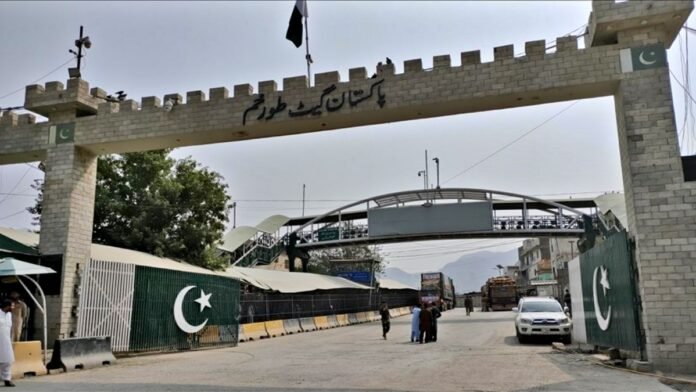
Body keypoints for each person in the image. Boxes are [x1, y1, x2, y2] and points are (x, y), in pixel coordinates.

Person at [0, 299, 15, 387]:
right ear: (7, 306)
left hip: (6, 341)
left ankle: (7, 380)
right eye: (12, 306)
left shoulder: (9, 315)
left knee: (7, 361)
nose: (13, 307)